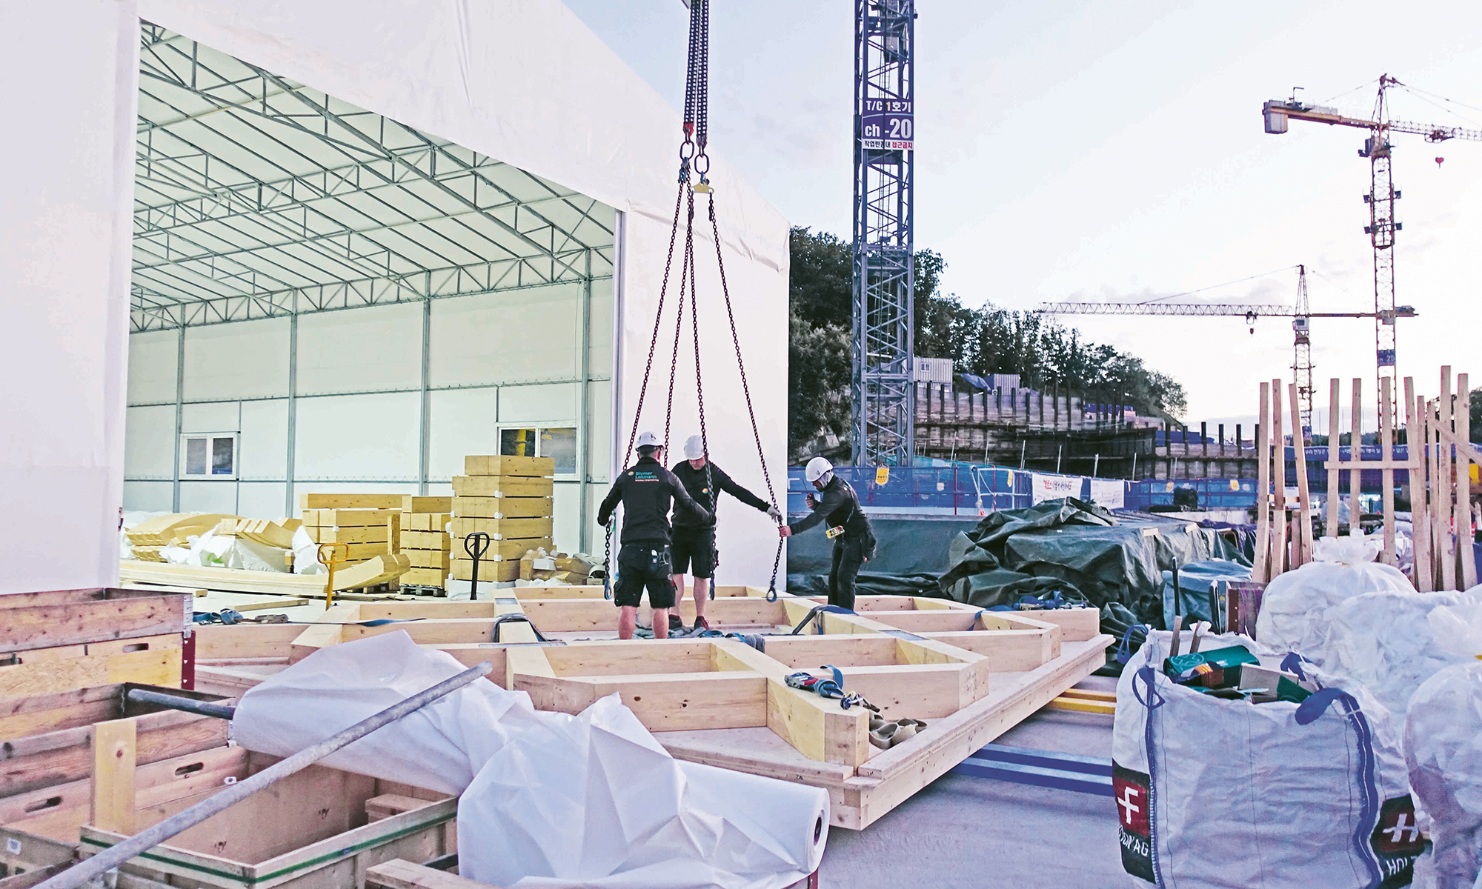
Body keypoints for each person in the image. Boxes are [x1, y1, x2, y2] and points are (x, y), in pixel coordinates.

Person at [597, 432, 711, 640]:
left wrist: (603, 519)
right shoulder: (668, 477)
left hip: (631, 549)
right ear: (659, 452)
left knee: (628, 607)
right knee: (661, 605)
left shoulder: (626, 477)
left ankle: (625, 652)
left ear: (638, 454)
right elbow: (689, 505)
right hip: (658, 551)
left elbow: (606, 506)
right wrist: (709, 519)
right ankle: (661, 652)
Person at [670, 434, 782, 633]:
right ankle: (674, 615)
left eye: (697, 458)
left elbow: (738, 492)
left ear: (706, 454)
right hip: (679, 529)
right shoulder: (678, 470)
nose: (694, 462)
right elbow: (662, 491)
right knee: (676, 573)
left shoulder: (714, 474)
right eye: (691, 459)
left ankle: (700, 617)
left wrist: (766, 508)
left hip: (703, 533)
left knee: (701, 576)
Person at [779, 457, 876, 610]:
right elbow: (833, 511)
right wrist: (817, 505)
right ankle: (834, 611)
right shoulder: (833, 488)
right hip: (844, 537)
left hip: (857, 539)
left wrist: (791, 530)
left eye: (815, 480)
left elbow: (818, 517)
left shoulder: (837, 492)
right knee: (833, 578)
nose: (813, 484)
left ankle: (846, 616)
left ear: (824, 476)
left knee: (845, 577)